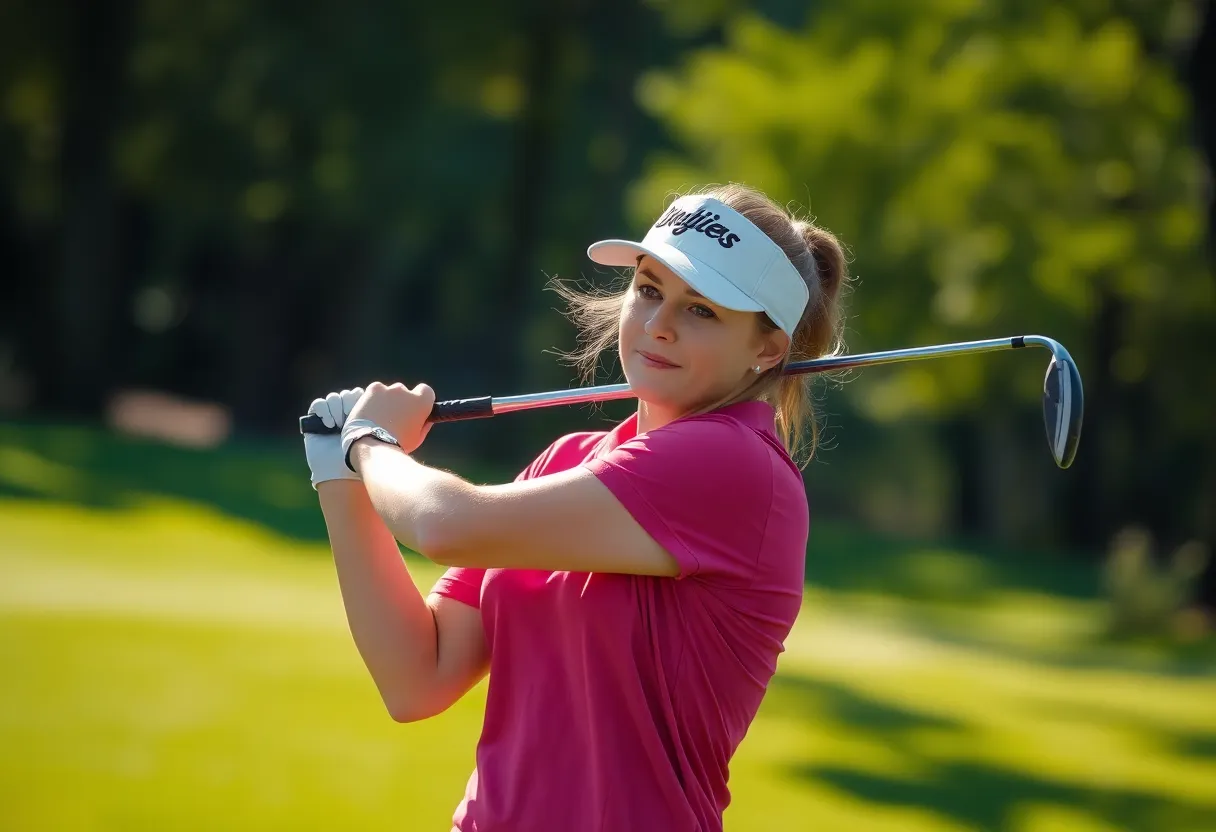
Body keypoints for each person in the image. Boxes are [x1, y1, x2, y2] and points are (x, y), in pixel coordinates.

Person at [302, 182, 849, 831]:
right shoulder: (569, 459)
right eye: (648, 290)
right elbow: (417, 678)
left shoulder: (738, 467)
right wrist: (337, 476)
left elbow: (447, 525)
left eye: (701, 310)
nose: (659, 325)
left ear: (768, 349)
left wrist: (369, 444)